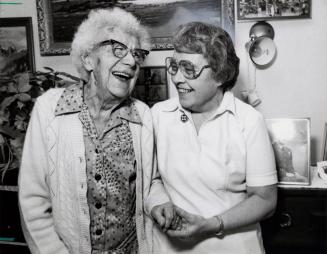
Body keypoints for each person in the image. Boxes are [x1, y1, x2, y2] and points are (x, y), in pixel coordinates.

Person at [18, 8, 155, 254]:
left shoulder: (142, 116)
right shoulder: (50, 109)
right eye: (118, 49)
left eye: (137, 53)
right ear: (88, 59)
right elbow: (32, 200)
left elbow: (150, 188)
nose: (132, 61)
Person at [146, 22, 278, 254]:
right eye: (174, 66)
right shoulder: (158, 114)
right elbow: (152, 178)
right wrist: (158, 202)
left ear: (219, 74)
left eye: (189, 69)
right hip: (170, 248)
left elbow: (265, 201)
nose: (176, 78)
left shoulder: (248, 121)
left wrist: (213, 224)